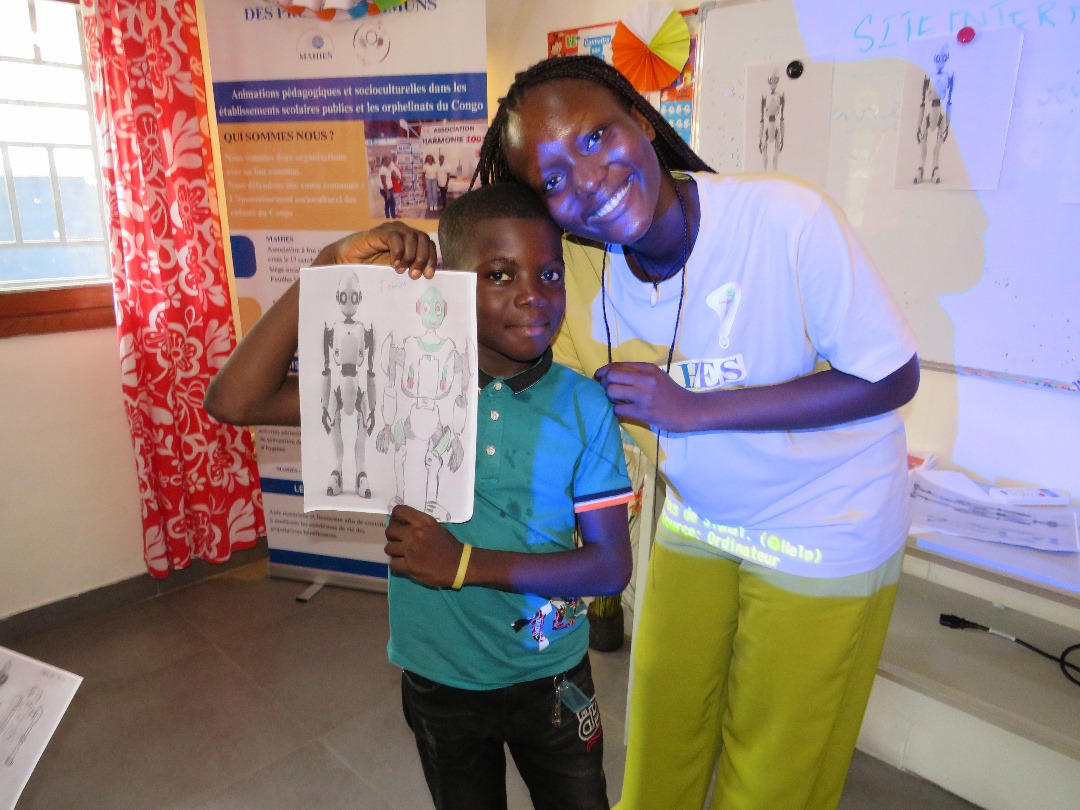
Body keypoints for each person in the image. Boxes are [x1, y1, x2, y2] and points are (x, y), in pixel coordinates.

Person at [464, 55, 920, 810]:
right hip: (701, 515)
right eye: (553, 179)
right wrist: (393, 256)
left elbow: (892, 376)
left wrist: (695, 410)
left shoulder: (783, 218)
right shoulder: (571, 271)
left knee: (773, 773)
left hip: (823, 519)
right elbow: (480, 287)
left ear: (642, 121)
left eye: (595, 137)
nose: (589, 181)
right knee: (660, 740)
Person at [203, 182, 635, 810]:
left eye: (549, 273)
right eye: (500, 274)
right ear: (447, 285)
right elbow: (234, 400)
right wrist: (328, 271)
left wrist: (464, 563)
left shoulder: (583, 404)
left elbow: (610, 565)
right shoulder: (398, 385)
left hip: (551, 675)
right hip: (441, 677)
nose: (533, 295)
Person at [377, 154, 396, 220]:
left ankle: (388, 217)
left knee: (387, 203)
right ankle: (393, 218)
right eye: (389, 161)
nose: (390, 162)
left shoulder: (387, 168)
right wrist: (387, 192)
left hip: (389, 189)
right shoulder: (382, 169)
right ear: (385, 161)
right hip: (386, 190)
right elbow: (383, 182)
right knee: (392, 203)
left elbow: (393, 174)